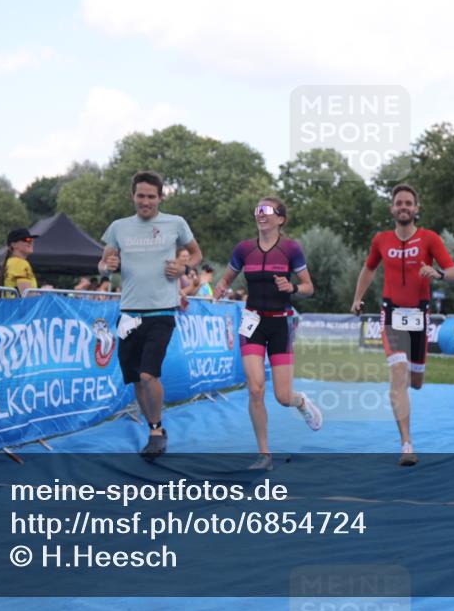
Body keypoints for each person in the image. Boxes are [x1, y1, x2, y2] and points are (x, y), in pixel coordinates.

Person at [350, 184, 454, 466]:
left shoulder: (430, 238)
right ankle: (407, 444)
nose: (403, 207)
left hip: (419, 316)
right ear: (392, 209)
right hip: (392, 314)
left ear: (416, 209)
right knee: (398, 373)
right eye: (399, 203)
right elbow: (370, 268)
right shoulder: (381, 239)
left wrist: (438, 273)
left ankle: (414, 373)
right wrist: (358, 298)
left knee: (416, 382)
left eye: (409, 203)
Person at [99, 171, 202, 459]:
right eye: (140, 195)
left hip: (161, 311)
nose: (145, 201)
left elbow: (196, 254)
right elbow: (103, 265)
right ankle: (154, 426)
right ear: (133, 196)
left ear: (160, 198)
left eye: (151, 196)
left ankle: (156, 432)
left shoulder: (176, 223)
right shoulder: (118, 228)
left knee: (148, 374)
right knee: (135, 378)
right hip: (129, 314)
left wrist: (183, 269)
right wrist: (108, 265)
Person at [213, 196, 322, 470]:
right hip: (252, 323)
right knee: (255, 388)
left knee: (283, 397)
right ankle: (264, 454)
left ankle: (300, 401)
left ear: (280, 219)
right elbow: (226, 277)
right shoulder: (244, 249)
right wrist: (221, 286)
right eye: (257, 210)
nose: (260, 214)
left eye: (267, 210)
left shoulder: (290, 249)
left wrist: (293, 288)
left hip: (280, 324)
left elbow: (309, 286)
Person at [0, 227, 40, 297]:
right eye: (27, 239)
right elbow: (27, 295)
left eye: (31, 239)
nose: (31, 242)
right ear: (14, 245)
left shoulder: (13, 262)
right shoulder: (18, 263)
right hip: (20, 307)